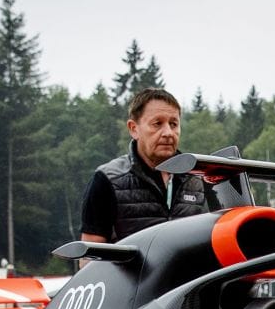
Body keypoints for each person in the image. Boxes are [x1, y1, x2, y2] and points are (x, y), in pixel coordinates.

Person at [80, 87, 209, 242]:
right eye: (157, 124)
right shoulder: (107, 179)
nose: (168, 132)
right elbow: (89, 258)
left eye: (173, 124)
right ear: (134, 129)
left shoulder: (198, 179)